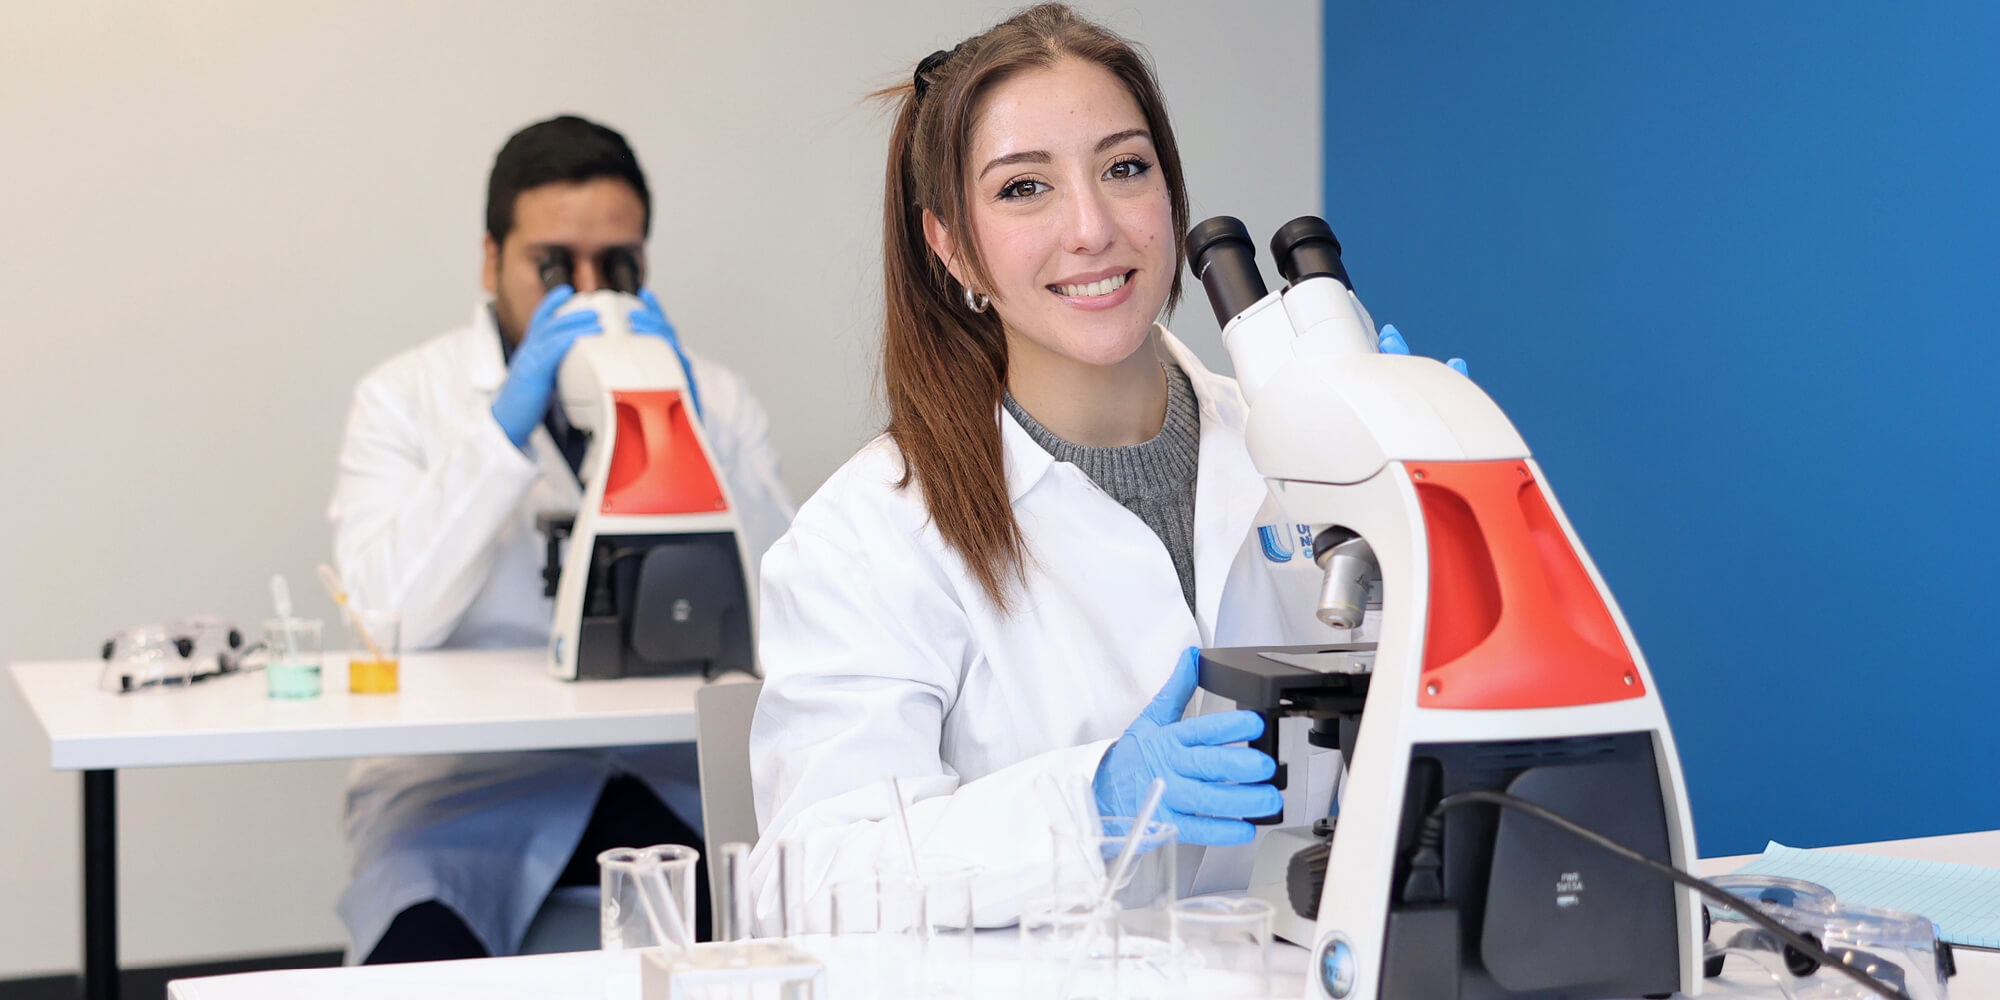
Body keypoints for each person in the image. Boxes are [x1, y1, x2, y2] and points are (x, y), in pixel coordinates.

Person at [746, 5, 1452, 928]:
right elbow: (806, 883)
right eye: (1023, 189)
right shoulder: (869, 536)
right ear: (950, 245)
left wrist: (1454, 514)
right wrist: (1092, 805)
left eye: (1125, 169)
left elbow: (1465, 748)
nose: (1092, 229)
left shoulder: (1308, 455)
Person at [328, 114, 794, 962]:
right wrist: (500, 440)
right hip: (469, 791)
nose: (585, 293)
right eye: (553, 268)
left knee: (743, 962)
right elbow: (385, 624)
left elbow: (789, 620)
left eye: (614, 266)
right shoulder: (405, 399)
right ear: (489, 260)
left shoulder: (715, 398)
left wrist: (690, 432)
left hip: (664, 774)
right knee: (422, 960)